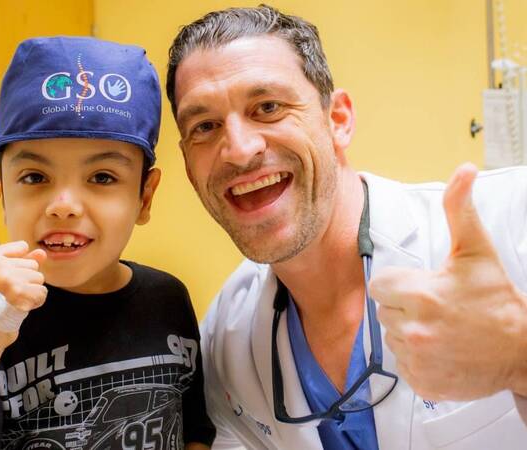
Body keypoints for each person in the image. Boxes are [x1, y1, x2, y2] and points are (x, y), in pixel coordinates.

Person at [164, 5, 527, 449]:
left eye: (268, 107)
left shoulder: (510, 220)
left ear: (338, 119)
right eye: (205, 126)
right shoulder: (225, 336)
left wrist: (518, 355)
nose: (238, 150)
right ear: (186, 164)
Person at [0, 36, 215, 450]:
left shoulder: (168, 300)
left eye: (101, 178)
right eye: (35, 177)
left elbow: (194, 430)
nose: (63, 205)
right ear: (4, 195)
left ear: (144, 197)